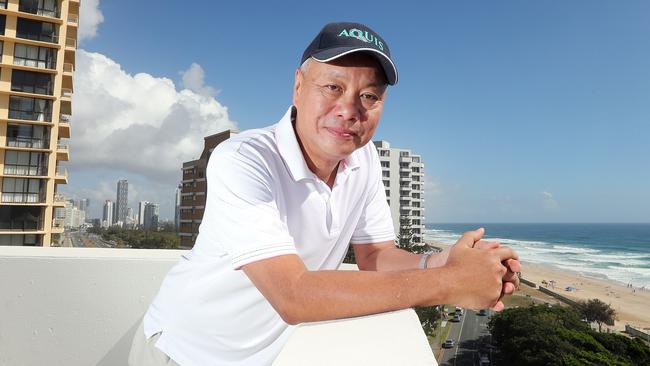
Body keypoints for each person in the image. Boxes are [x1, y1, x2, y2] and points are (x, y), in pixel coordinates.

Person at [128, 21, 521, 366]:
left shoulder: (363, 160)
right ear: (298, 87)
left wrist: (441, 262)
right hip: (185, 352)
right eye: (333, 87)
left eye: (369, 96)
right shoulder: (244, 159)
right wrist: (450, 283)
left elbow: (376, 256)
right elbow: (294, 294)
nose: (350, 109)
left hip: (266, 355)